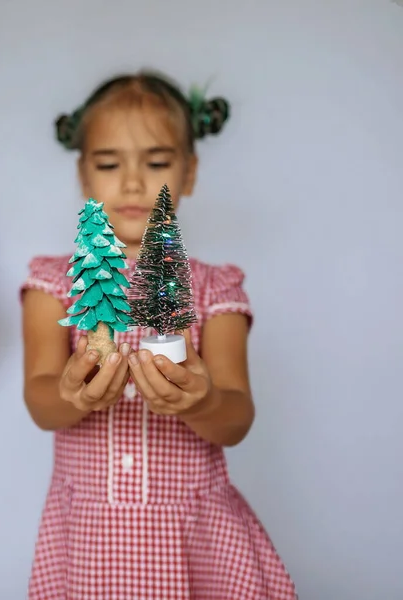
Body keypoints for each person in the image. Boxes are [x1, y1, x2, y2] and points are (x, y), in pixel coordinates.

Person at [20, 70, 297, 600]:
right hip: (89, 545)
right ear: (83, 175)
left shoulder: (214, 288)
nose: (132, 182)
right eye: (108, 163)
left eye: (156, 162)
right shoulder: (54, 285)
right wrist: (70, 394)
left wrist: (202, 399)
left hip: (197, 540)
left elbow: (236, 419)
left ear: (189, 173)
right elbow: (39, 401)